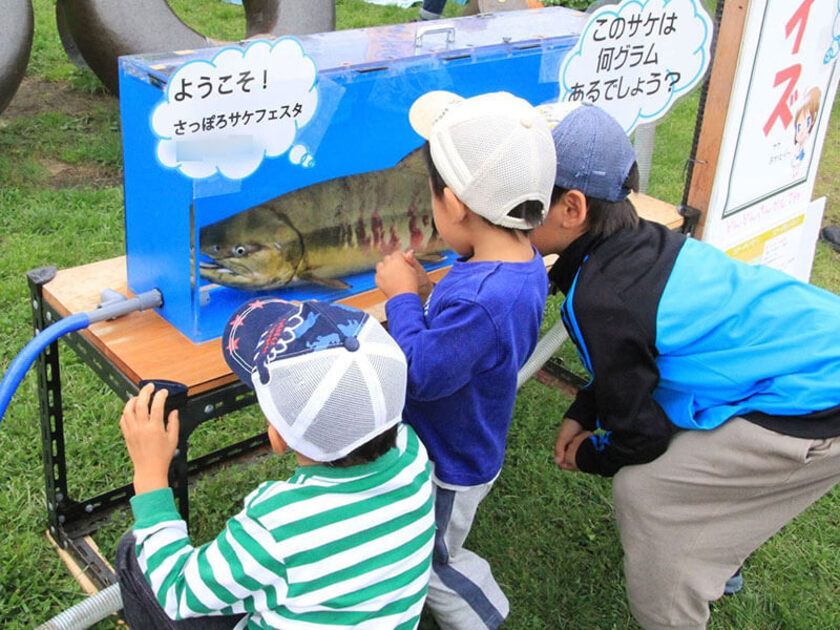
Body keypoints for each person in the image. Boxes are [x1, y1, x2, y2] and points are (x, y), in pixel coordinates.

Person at [529, 101, 840, 630]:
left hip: (815, 403)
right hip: (817, 352)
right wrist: (587, 406)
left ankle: (677, 605)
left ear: (571, 209)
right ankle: (722, 546)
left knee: (650, 492)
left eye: (519, 206)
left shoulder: (599, 299)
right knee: (704, 470)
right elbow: (630, 357)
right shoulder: (639, 241)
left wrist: (590, 455)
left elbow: (640, 437)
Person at [115, 298, 436, 629]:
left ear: (277, 436)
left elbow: (177, 592)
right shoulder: (413, 454)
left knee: (133, 550)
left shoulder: (278, 524)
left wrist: (150, 476)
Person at [374, 90, 556, 629]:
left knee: (430, 561)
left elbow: (421, 373)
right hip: (463, 438)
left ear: (453, 204)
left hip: (449, 463)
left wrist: (403, 298)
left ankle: (484, 616)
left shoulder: (484, 295)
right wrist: (430, 296)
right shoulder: (519, 261)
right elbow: (469, 341)